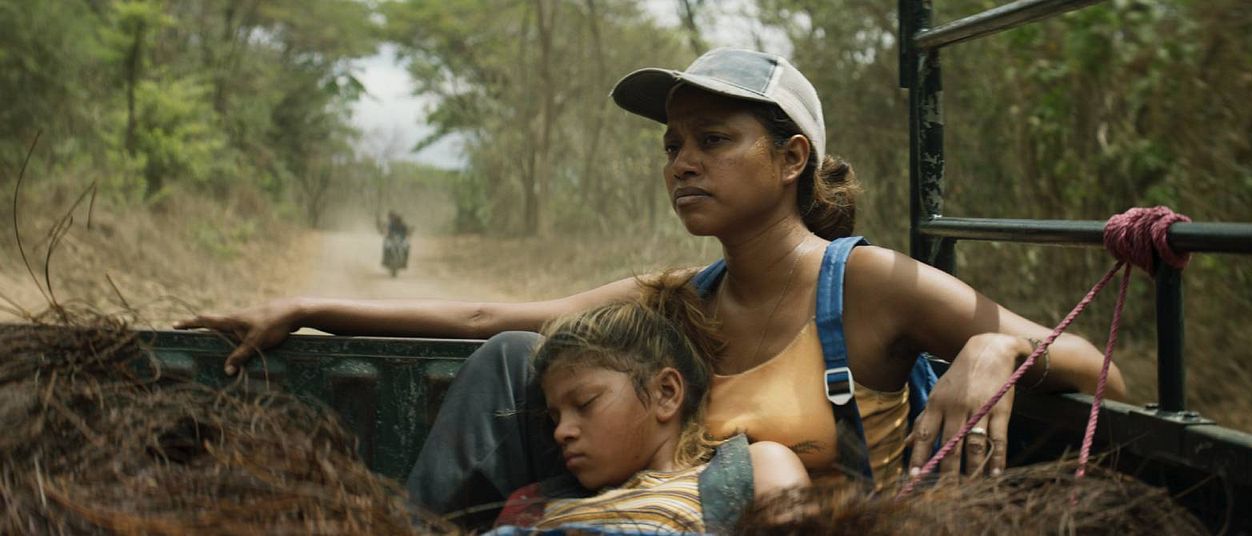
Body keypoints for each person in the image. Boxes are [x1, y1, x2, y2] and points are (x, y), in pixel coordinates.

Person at [176, 48, 1126, 527]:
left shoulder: (869, 283)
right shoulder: (680, 299)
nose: (681, 163)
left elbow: (1104, 371)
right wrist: (304, 307)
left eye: (714, 140)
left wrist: (995, 347)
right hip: (661, 526)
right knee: (512, 358)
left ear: (792, 158)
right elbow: (487, 316)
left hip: (819, 527)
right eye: (673, 145)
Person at [489, 273, 808, 533]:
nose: (561, 432)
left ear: (666, 393)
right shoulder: (534, 505)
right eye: (555, 418)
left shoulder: (749, 472)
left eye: (585, 404)